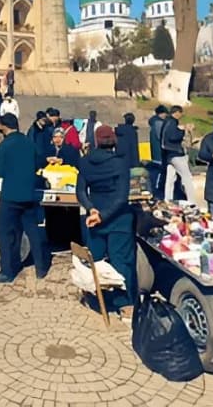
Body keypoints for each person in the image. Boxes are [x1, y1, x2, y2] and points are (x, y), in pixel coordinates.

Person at [77, 124, 137, 317]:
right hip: (118, 219)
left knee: (94, 259)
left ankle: (95, 296)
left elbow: (80, 191)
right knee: (121, 261)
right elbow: (121, 198)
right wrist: (102, 215)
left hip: (95, 218)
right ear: (114, 141)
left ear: (96, 141)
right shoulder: (120, 163)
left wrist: (91, 209)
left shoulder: (85, 162)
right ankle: (124, 304)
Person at [0, 113, 50, 284]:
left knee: (6, 233)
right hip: (29, 194)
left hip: (10, 196)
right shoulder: (29, 142)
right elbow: (40, 162)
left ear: (4, 127)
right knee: (33, 230)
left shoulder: (4, 146)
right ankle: (41, 267)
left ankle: (8, 271)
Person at [162, 106, 195, 203]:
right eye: (180, 113)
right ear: (176, 113)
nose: (181, 116)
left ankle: (167, 200)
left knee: (170, 178)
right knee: (187, 178)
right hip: (176, 154)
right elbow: (173, 136)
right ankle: (192, 202)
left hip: (168, 154)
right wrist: (184, 131)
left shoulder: (166, 122)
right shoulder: (172, 122)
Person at [147, 106, 168, 196]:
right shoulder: (159, 123)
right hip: (159, 152)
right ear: (161, 113)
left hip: (155, 152)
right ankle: (157, 190)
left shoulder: (154, 122)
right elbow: (162, 137)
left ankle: (155, 189)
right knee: (158, 172)